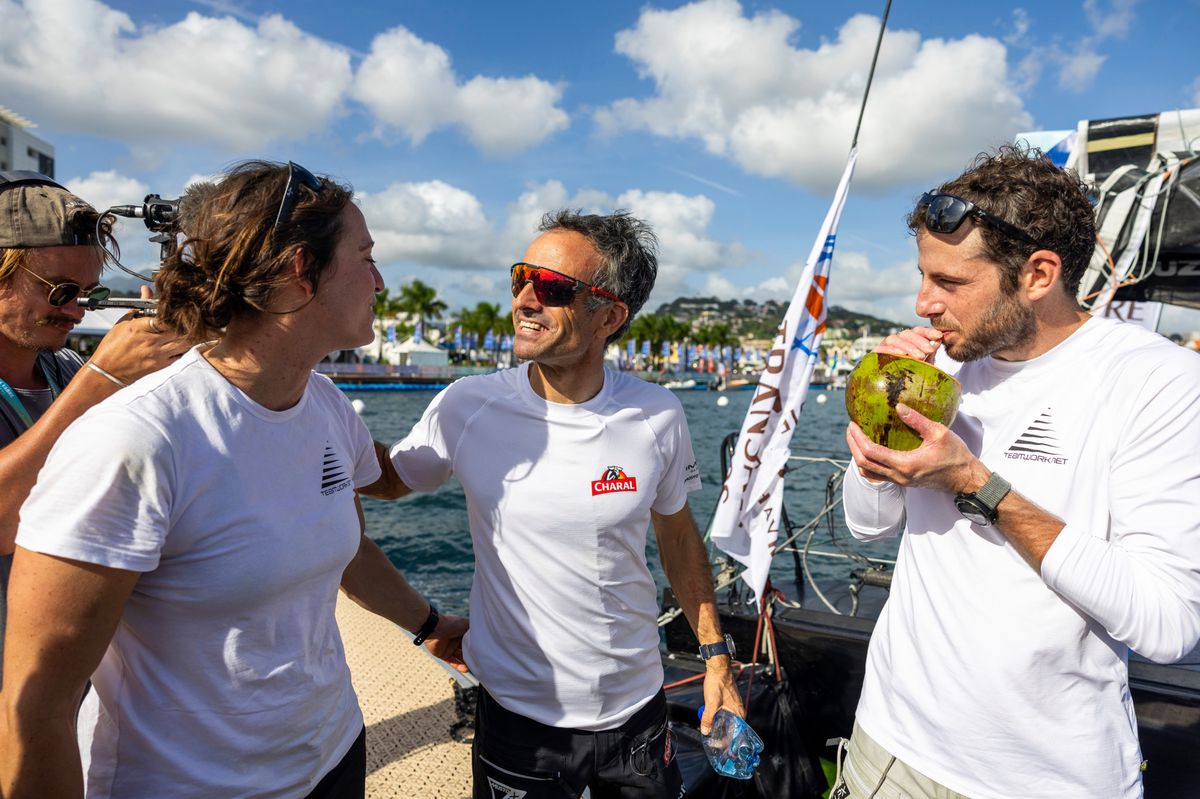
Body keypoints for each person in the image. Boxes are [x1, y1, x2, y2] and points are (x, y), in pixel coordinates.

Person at [0, 160, 468, 798]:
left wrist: (431, 623)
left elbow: (348, 546)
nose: (381, 281)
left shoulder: (325, 406)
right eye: (366, 257)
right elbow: (38, 708)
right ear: (302, 271)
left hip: (331, 756)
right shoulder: (135, 438)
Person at [836, 145, 1200, 798]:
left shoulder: (1158, 381)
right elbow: (865, 526)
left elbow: (1167, 623)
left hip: (1046, 778)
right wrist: (872, 446)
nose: (922, 304)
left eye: (948, 283)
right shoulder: (939, 366)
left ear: (1038, 273)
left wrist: (977, 483)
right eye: (923, 276)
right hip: (890, 744)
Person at [361, 210, 745, 798]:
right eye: (520, 278)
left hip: (636, 708)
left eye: (553, 288)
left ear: (609, 316)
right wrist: (310, 414)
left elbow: (677, 536)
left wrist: (716, 658)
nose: (525, 299)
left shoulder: (657, 414)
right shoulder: (469, 405)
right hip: (518, 716)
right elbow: (390, 480)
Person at [0, 171, 188, 689]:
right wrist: (102, 378)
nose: (79, 310)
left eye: (88, 292)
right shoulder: (81, 378)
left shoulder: (61, 369)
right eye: (61, 290)